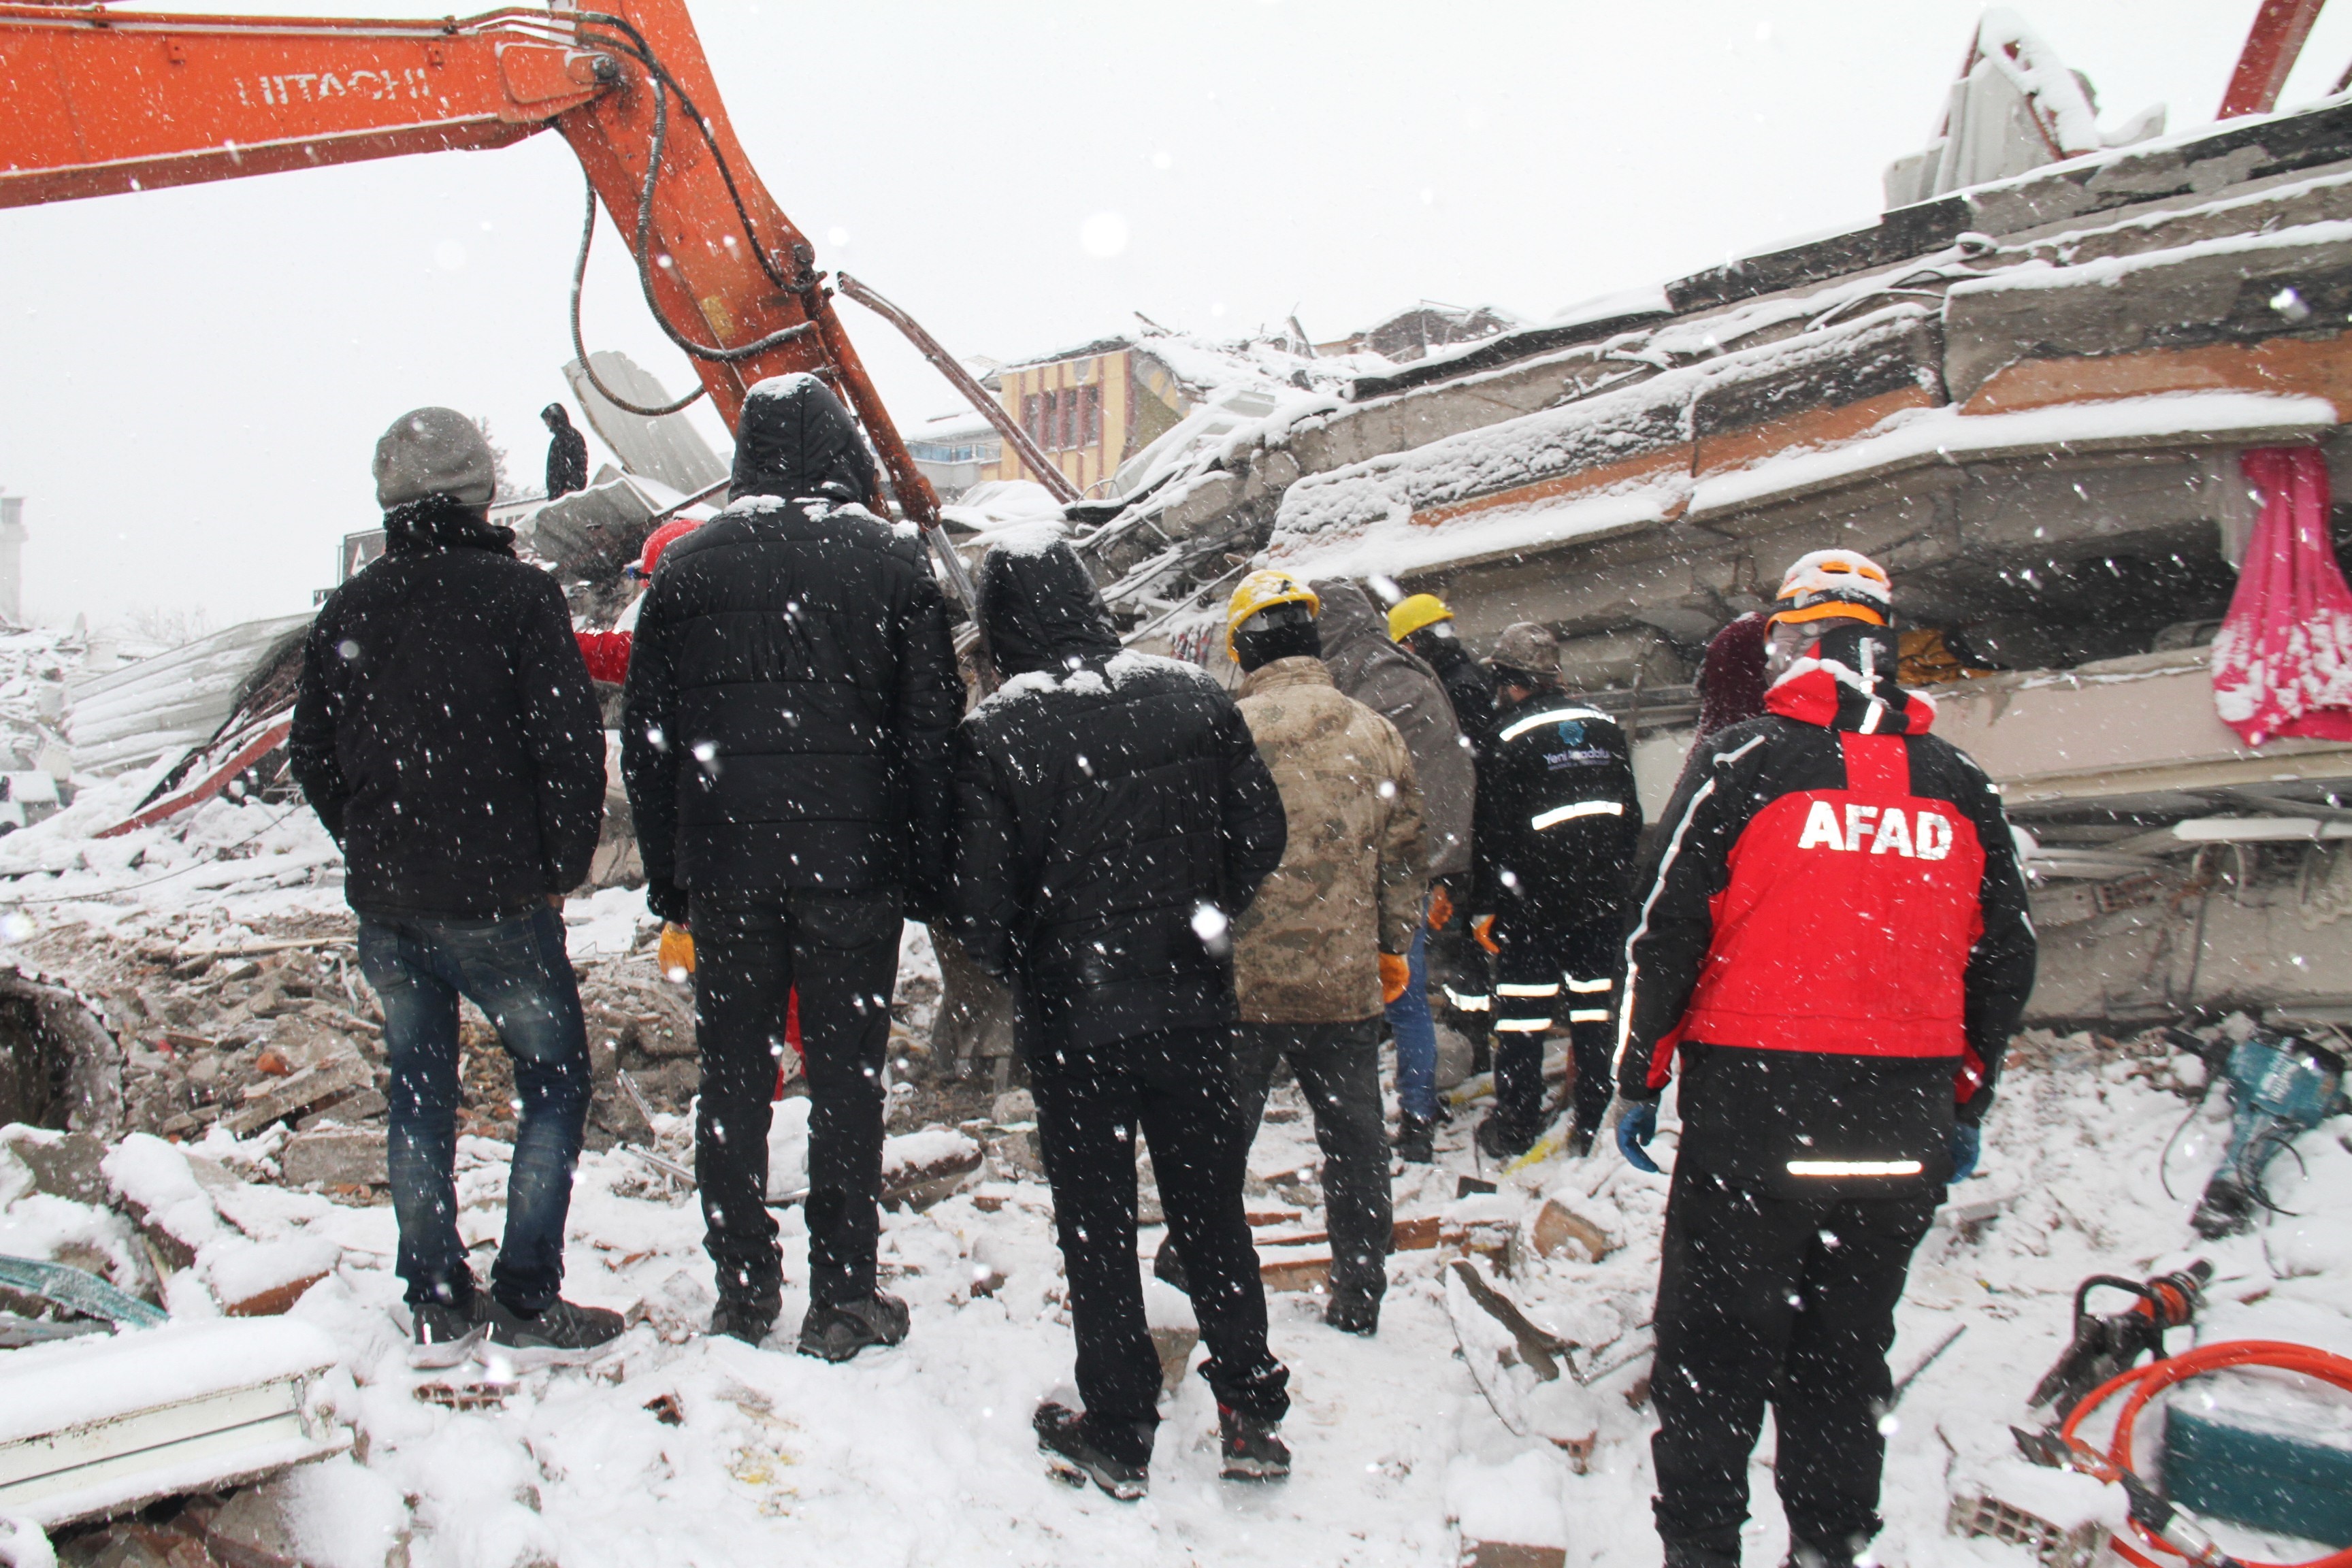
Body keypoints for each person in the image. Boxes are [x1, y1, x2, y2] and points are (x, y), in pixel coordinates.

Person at [1613, 549, 2036, 1568]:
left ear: (1792, 644)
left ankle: (1705, 1547)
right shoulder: (1962, 783)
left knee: (1715, 1352)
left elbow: (1664, 933)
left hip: (1755, 1116)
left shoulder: (1745, 763)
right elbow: (2007, 955)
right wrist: (1965, 1100)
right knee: (1846, 1361)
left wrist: (1641, 1075)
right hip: (1901, 1123)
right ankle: (1829, 1545)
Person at [621, 373, 962, 1360]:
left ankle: (743, 1287)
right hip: (856, 868)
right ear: (843, 449)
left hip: (729, 869)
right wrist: (925, 869)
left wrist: (672, 875)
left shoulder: (686, 572)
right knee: (848, 1082)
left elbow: (647, 742)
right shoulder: (891, 565)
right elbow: (930, 733)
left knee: (734, 1075)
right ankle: (845, 1299)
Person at [947, 535, 1292, 1499]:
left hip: (1075, 1020)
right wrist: (1208, 920)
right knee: (1211, 1209)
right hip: (1193, 1005)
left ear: (1004, 628)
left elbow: (976, 906)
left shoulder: (998, 733)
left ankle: (1121, 1424)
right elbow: (1262, 833)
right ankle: (1252, 1409)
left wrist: (1035, 955)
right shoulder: (1193, 697)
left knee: (1094, 1222)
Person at [291, 406, 619, 1368]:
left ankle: (435, 1294)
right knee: (554, 1087)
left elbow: (311, 753)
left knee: (420, 1096)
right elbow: (567, 748)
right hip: (499, 900)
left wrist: (369, 836)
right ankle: (524, 1295)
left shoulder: (352, 609)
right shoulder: (516, 598)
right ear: (481, 493)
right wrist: (556, 869)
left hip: (392, 904)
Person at [1213, 570, 1426, 1337]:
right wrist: (1391, 942)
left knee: (1217, 1141)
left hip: (1241, 985)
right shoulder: (1374, 731)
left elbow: (1195, 854)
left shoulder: (1223, 728)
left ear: (1243, 647)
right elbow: (1407, 853)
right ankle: (1360, 1287)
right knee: (1355, 1143)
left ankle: (1194, 1265)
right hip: (1344, 983)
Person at [1467, 622, 1643, 1160]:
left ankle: (1516, 1123)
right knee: (1595, 1011)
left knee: (1522, 1015)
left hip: (1534, 902)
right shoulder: (1606, 727)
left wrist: (1482, 906)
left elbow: (1491, 833)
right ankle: (1592, 1115)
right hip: (1602, 897)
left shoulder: (1503, 737)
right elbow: (1630, 817)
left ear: (1510, 679)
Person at [1313, 579, 1473, 1162]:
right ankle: (1421, 1111)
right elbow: (1453, 768)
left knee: (1365, 1003)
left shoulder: (1345, 679)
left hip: (1374, 864)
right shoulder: (1411, 670)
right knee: (1407, 995)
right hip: (1426, 861)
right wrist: (1445, 865)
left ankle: (1376, 1128)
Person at [1388, 591, 1499, 1061]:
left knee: (1460, 945)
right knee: (1466, 941)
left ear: (1416, 641)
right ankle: (1469, 1029)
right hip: (1478, 832)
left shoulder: (1449, 689)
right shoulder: (1465, 678)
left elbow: (1459, 767)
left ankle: (1470, 1036)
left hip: (1467, 834)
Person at [1388, 591, 1496, 740]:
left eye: (1404, 646)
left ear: (1423, 640)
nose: (1404, 654)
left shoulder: (1459, 688)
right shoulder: (1460, 675)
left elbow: (1479, 751)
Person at [542, 402, 589, 500]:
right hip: (559, 494)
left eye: (547, 420)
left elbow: (579, 465)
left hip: (567, 493)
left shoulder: (572, 437)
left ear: (555, 418)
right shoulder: (558, 440)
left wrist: (571, 487)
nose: (546, 424)